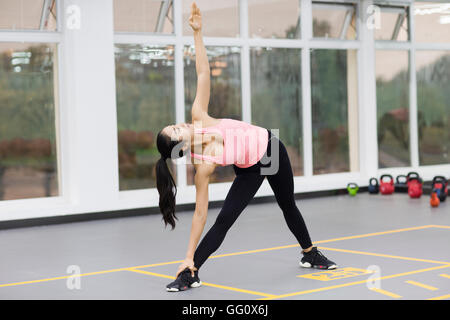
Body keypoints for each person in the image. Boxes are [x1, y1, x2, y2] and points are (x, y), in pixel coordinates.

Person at [156, 2, 337, 292]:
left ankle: (309, 252)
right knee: (225, 218)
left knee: (286, 203)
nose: (182, 124)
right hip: (249, 168)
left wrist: (198, 33)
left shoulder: (200, 116)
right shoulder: (203, 165)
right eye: (177, 130)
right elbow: (201, 215)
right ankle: (191, 271)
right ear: (181, 147)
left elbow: (203, 73)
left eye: (176, 123)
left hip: (270, 148)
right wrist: (187, 255)